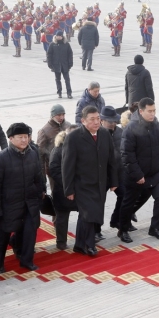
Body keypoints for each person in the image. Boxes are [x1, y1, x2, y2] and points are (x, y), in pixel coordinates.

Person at [0, 123, 44, 272]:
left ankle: (27, 260)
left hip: (29, 202)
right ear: (11, 138)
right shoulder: (0, 159)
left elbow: (39, 177)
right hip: (9, 204)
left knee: (30, 232)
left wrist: (39, 194)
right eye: (20, 137)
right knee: (4, 235)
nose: (24, 140)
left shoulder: (33, 153)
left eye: (26, 137)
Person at [62, 106, 117, 256]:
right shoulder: (73, 138)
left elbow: (111, 159)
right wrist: (69, 189)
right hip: (82, 185)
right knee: (90, 214)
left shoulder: (105, 134)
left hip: (100, 184)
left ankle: (79, 245)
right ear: (83, 121)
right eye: (92, 119)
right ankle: (89, 245)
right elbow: (67, 165)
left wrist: (113, 181)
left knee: (87, 215)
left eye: (98, 118)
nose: (96, 122)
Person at [118, 98, 159, 242]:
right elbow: (127, 154)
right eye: (149, 111)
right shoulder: (131, 128)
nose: (153, 114)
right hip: (136, 175)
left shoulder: (156, 125)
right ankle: (123, 230)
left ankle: (155, 228)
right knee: (128, 203)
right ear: (141, 111)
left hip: (154, 173)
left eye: (154, 111)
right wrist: (138, 174)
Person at [37, 104, 71, 190]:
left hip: (69, 165)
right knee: (57, 192)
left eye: (63, 114)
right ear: (52, 116)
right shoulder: (44, 131)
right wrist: (42, 175)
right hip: (53, 169)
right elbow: (40, 153)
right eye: (59, 115)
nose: (61, 117)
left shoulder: (68, 125)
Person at [47, 31, 74, 99]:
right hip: (56, 65)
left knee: (67, 79)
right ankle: (59, 92)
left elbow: (70, 54)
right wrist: (50, 64)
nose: (59, 37)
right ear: (55, 36)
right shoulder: (53, 44)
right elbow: (49, 54)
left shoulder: (66, 44)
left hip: (65, 65)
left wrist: (70, 63)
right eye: (57, 36)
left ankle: (69, 93)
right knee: (57, 79)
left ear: (62, 36)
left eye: (60, 36)